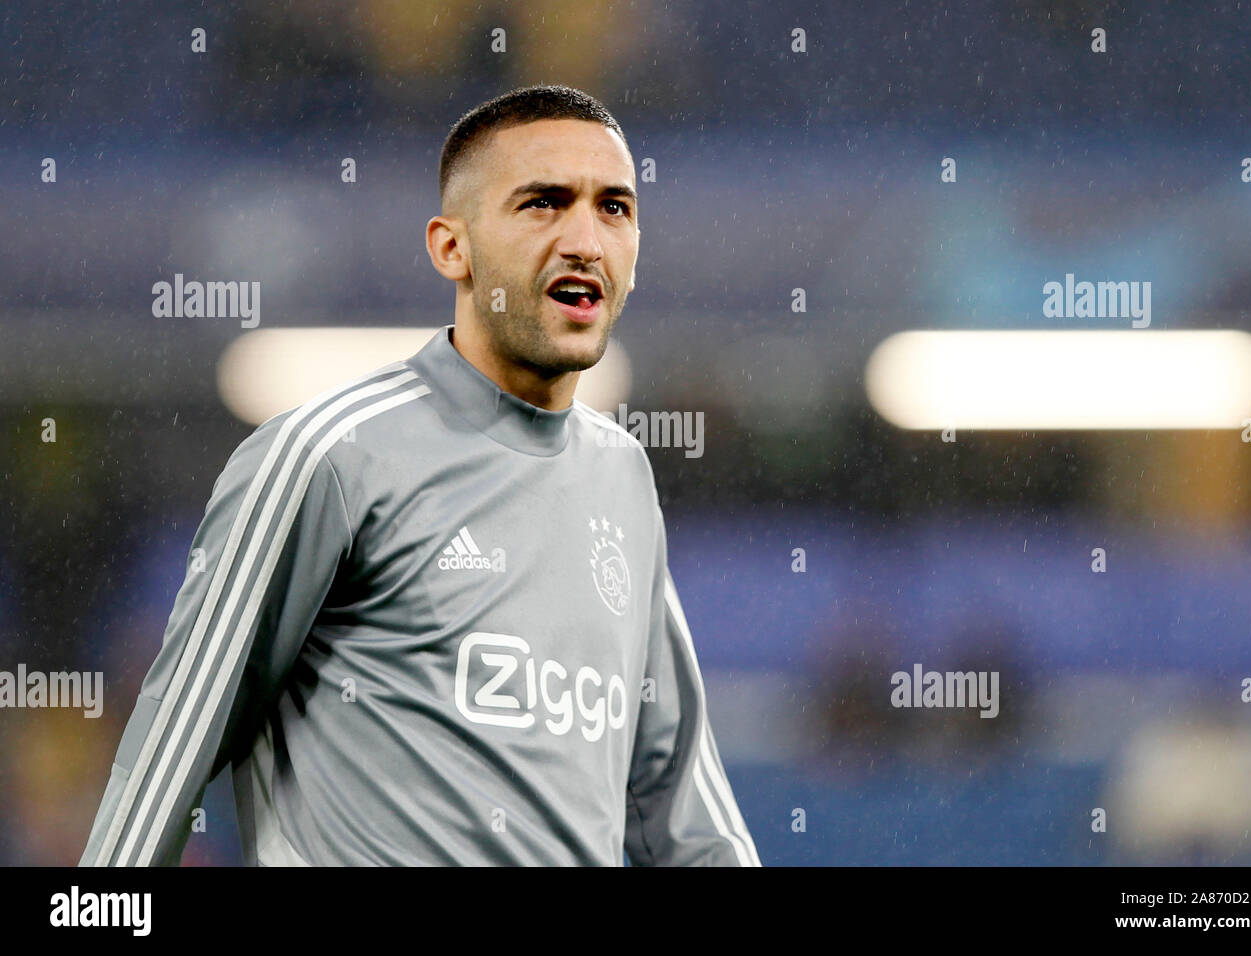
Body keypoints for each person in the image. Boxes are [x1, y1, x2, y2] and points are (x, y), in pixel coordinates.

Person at [79, 85, 760, 866]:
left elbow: (681, 811)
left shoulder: (623, 478)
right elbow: (175, 746)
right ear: (451, 248)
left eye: (614, 208)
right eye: (544, 203)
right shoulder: (328, 456)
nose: (585, 239)